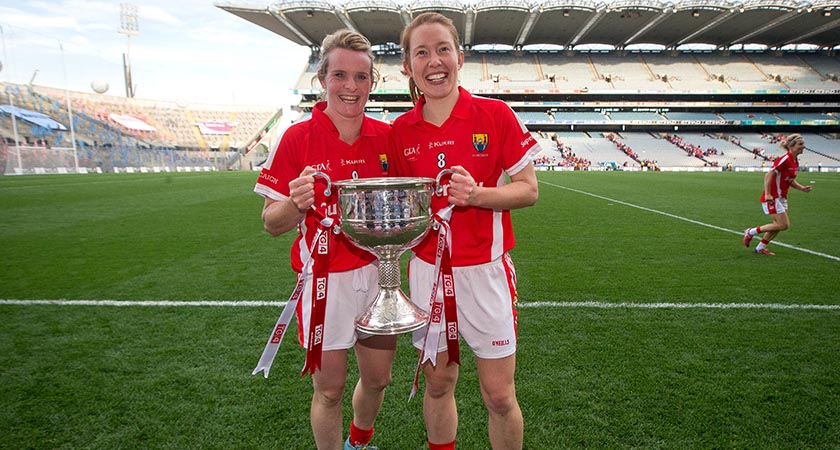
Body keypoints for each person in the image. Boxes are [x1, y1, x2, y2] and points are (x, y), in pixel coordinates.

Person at [388, 12, 541, 450]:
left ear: (460, 56)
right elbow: (402, 210)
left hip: (485, 273)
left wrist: (476, 196)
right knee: (438, 385)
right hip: (427, 275)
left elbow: (528, 190)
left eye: (442, 49)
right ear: (408, 66)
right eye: (421, 52)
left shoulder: (495, 115)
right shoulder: (400, 132)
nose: (433, 61)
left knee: (498, 395)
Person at [254, 29, 394, 450]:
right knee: (329, 390)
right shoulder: (296, 138)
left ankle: (359, 439)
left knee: (378, 379)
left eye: (361, 77)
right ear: (322, 80)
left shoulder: (388, 139)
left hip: (377, 276)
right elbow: (271, 223)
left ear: (371, 82)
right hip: (324, 281)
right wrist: (296, 203)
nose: (350, 87)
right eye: (340, 75)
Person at [743, 133, 813, 256]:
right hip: (773, 197)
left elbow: (790, 180)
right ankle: (751, 232)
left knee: (777, 226)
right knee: (783, 225)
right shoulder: (785, 159)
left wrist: (802, 188)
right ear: (792, 146)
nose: (804, 146)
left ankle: (760, 248)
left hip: (782, 197)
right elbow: (769, 175)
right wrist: (768, 194)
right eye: (800, 144)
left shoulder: (795, 161)